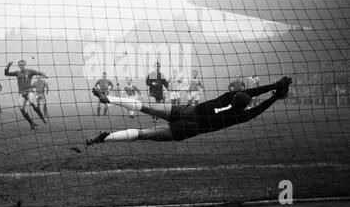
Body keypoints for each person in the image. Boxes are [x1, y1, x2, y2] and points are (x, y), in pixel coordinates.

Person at [86, 77, 292, 145]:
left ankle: (109, 98)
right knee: (143, 134)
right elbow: (259, 108)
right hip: (191, 129)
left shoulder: (230, 96)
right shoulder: (240, 115)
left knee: (146, 107)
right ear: (245, 104)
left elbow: (252, 91)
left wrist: (273, 85)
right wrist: (274, 96)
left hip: (188, 111)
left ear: (236, 95)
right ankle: (104, 139)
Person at [5, 60, 47, 129]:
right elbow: (6, 74)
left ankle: (43, 118)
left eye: (23, 64)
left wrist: (43, 74)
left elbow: (39, 72)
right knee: (21, 108)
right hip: (21, 92)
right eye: (20, 65)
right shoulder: (17, 73)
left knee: (32, 102)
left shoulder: (30, 71)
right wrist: (8, 66)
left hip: (29, 90)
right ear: (19, 66)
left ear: (25, 65)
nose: (22, 66)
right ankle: (31, 123)